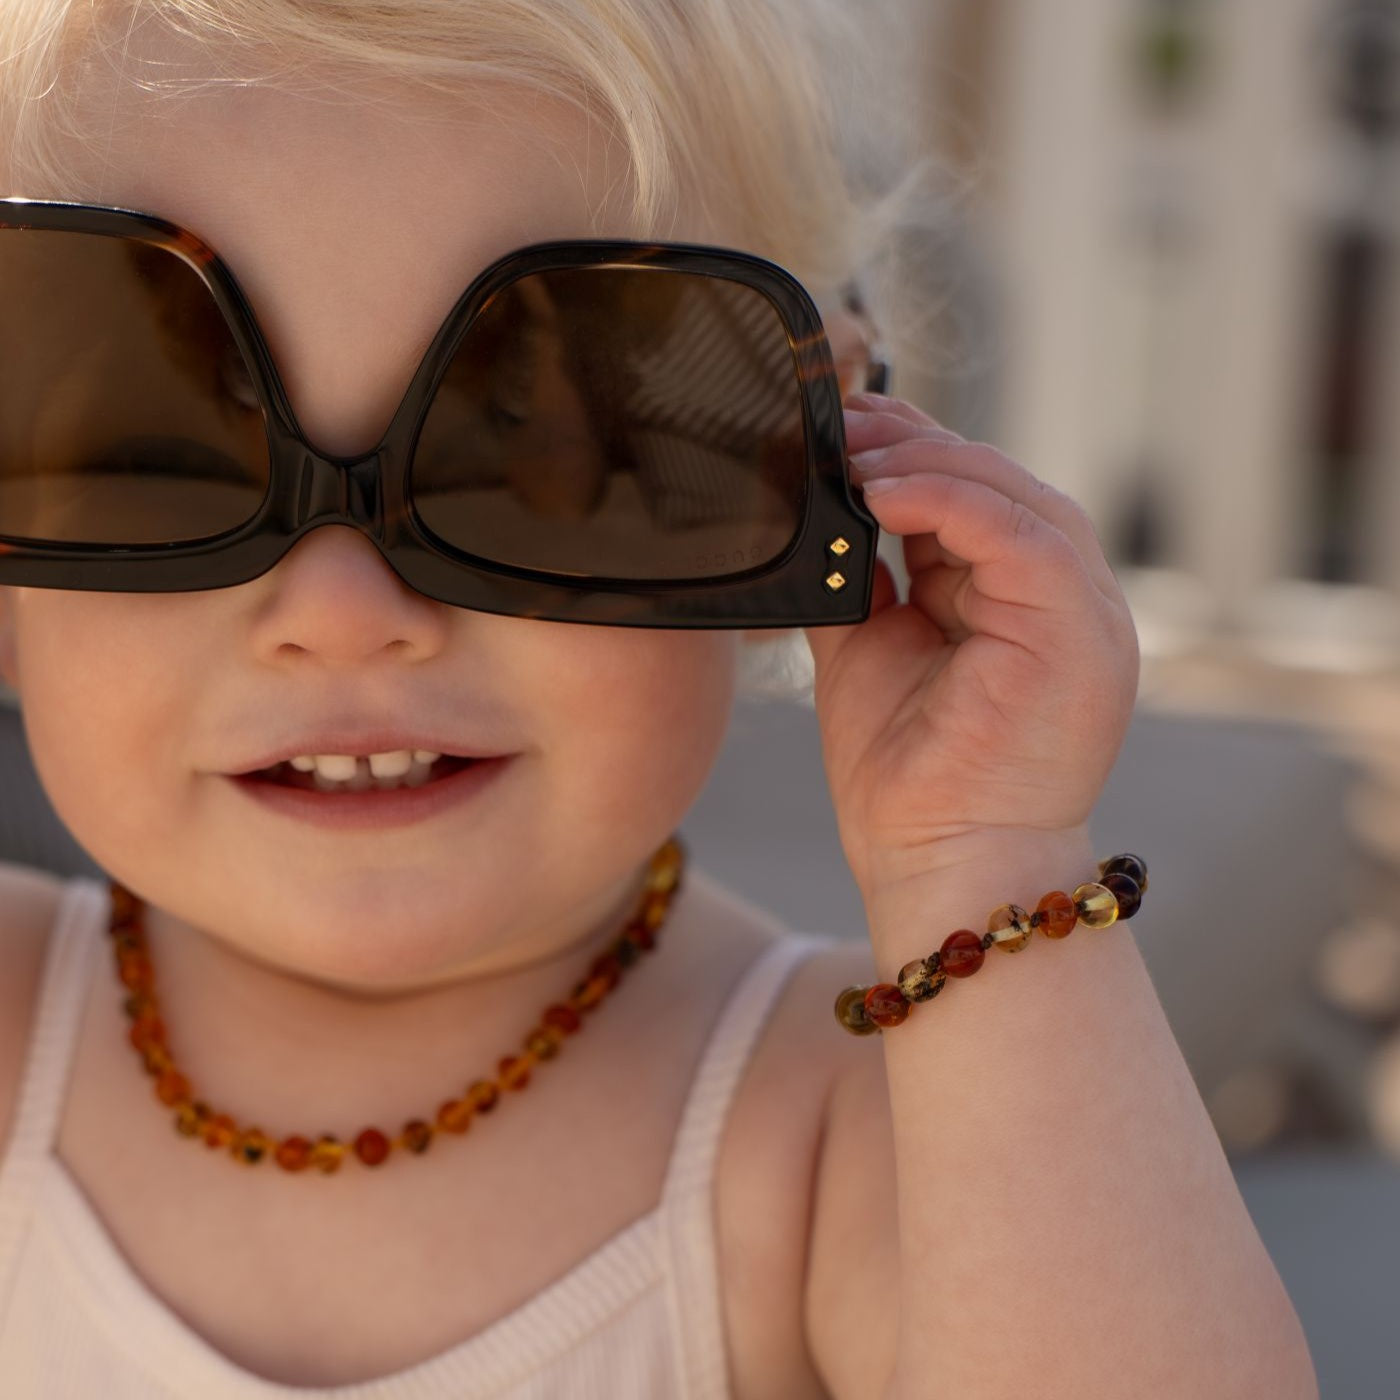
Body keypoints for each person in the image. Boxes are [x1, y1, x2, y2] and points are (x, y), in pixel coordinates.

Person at [0, 2, 1318, 1397]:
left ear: (792, 482)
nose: (344, 618)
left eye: (527, 458)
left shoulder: (823, 1137)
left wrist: (980, 857)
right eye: (160, 462)